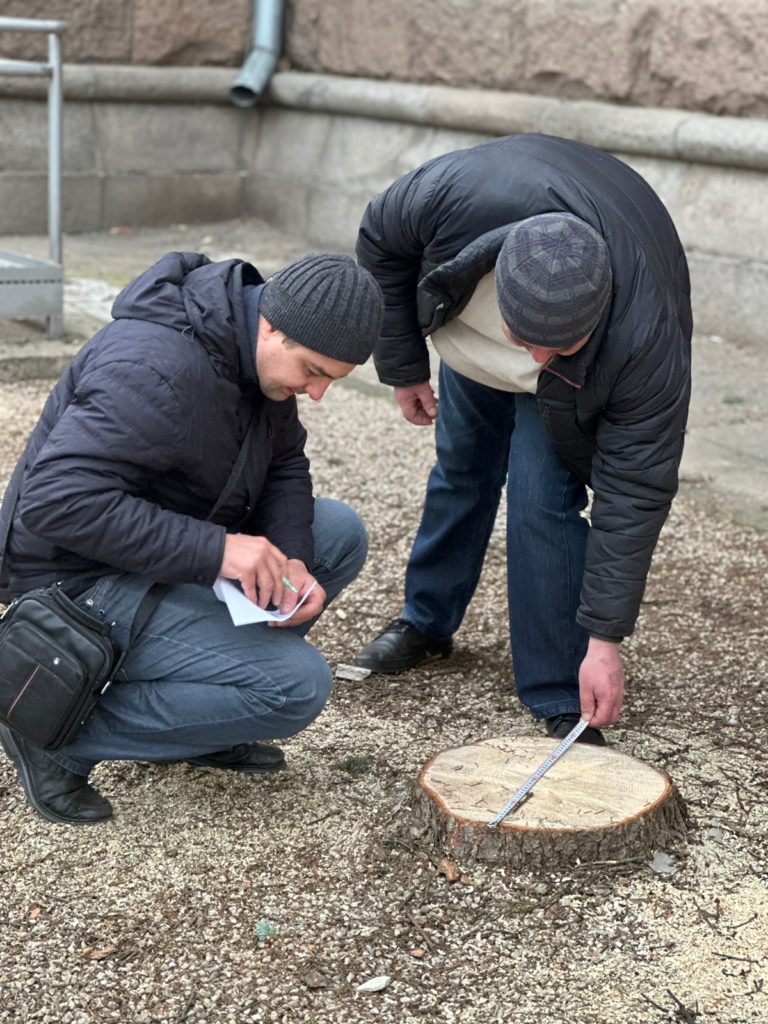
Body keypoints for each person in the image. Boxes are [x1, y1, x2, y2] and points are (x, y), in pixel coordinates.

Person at [0, 250, 384, 825]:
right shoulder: (156, 368)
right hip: (73, 580)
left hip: (154, 547)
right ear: (271, 325)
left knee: (336, 534)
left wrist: (295, 560)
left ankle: (198, 723)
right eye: (314, 372)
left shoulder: (251, 355)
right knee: (295, 687)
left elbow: (284, 464)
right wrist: (220, 551)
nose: (317, 392)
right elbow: (58, 503)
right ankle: (50, 728)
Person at [353, 132, 692, 746]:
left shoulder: (646, 345)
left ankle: (561, 688)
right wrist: (401, 365)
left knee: (542, 500)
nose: (533, 357)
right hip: (472, 348)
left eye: (554, 345)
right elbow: (380, 242)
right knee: (461, 467)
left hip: (569, 385)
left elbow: (634, 492)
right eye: (524, 336)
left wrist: (604, 643)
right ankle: (426, 622)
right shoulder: (446, 198)